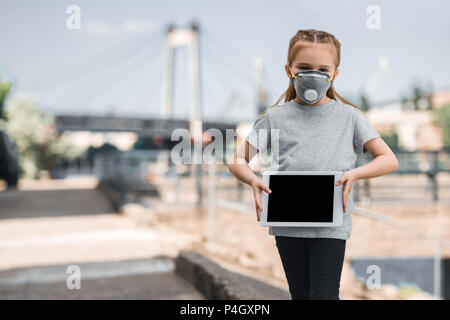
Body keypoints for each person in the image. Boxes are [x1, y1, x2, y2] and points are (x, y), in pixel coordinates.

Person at [227, 29, 399, 300]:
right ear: (289, 70)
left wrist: (355, 173)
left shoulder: (351, 117)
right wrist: (252, 179)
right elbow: (238, 160)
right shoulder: (274, 118)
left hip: (332, 226)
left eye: (322, 69)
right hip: (287, 223)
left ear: (335, 74)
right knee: (300, 294)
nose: (313, 74)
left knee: (324, 295)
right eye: (304, 67)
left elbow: (388, 159)